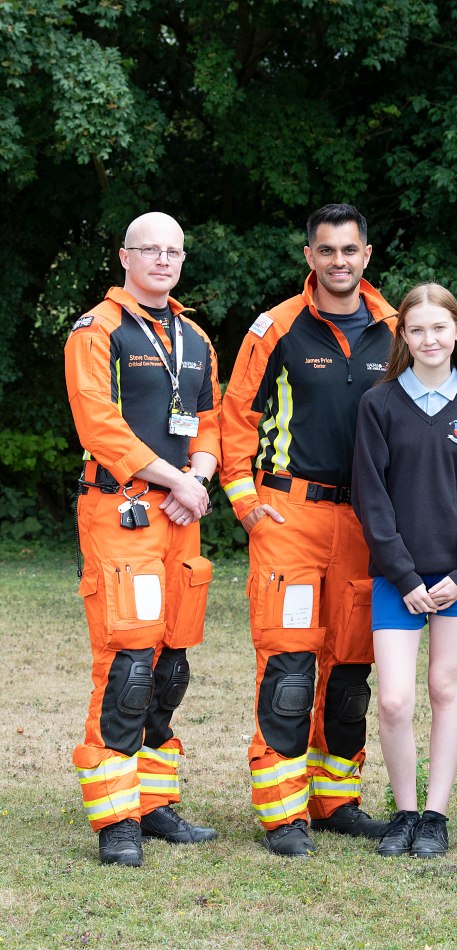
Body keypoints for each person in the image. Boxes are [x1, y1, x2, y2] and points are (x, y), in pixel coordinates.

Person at [220, 204, 397, 856]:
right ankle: (284, 814)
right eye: (327, 251)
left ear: (366, 255)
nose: (340, 261)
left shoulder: (396, 329)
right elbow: (235, 414)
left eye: (350, 250)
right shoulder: (277, 328)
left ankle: (336, 801)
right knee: (291, 669)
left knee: (350, 671)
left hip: (365, 523)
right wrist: (243, 500)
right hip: (289, 516)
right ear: (309, 257)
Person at [64, 211, 221, 867]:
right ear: (124, 258)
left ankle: (155, 805)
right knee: (129, 664)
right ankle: (116, 819)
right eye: (149, 249)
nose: (162, 260)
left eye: (173, 250)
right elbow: (98, 425)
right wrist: (174, 481)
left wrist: (201, 476)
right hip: (120, 509)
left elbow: (211, 421)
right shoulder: (95, 329)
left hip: (180, 516)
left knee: (170, 665)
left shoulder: (194, 336)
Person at [352, 283, 457, 858]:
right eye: (417, 330)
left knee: (444, 687)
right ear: (403, 338)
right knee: (393, 699)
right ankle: (404, 811)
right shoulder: (380, 404)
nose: (429, 338)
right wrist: (407, 577)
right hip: (399, 578)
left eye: (440, 327)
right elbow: (373, 499)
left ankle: (435, 815)